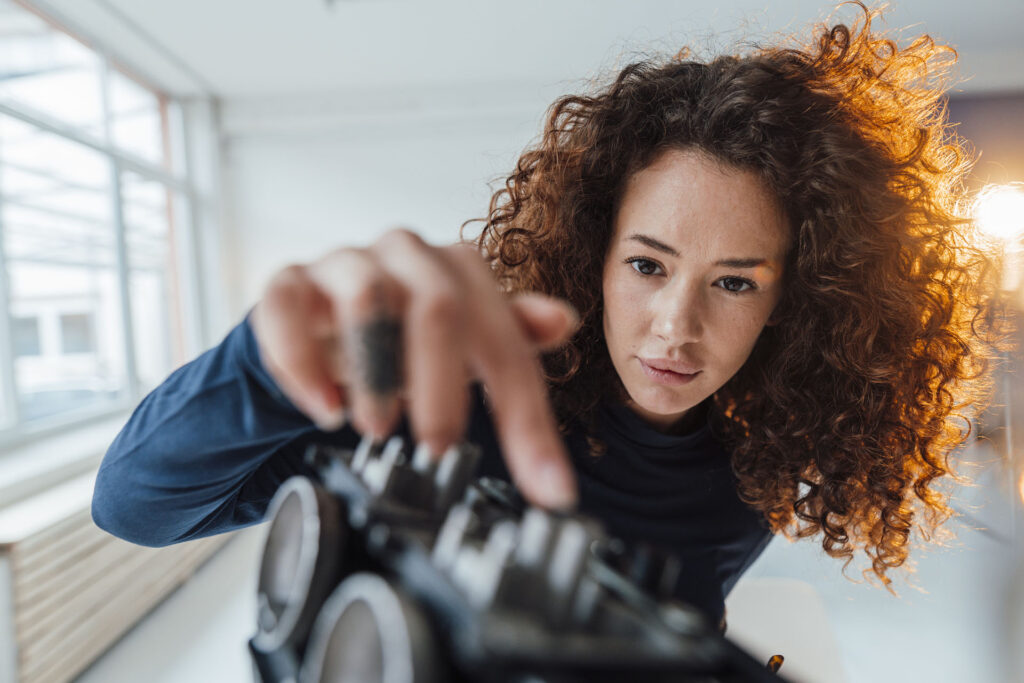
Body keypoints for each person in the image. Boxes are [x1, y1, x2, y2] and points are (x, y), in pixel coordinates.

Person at [91, 3, 1001, 630]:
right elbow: (135, 505)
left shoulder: (756, 469)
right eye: (648, 265)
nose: (674, 327)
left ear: (790, 302)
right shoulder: (446, 389)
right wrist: (264, 360)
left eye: (734, 282)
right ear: (593, 260)